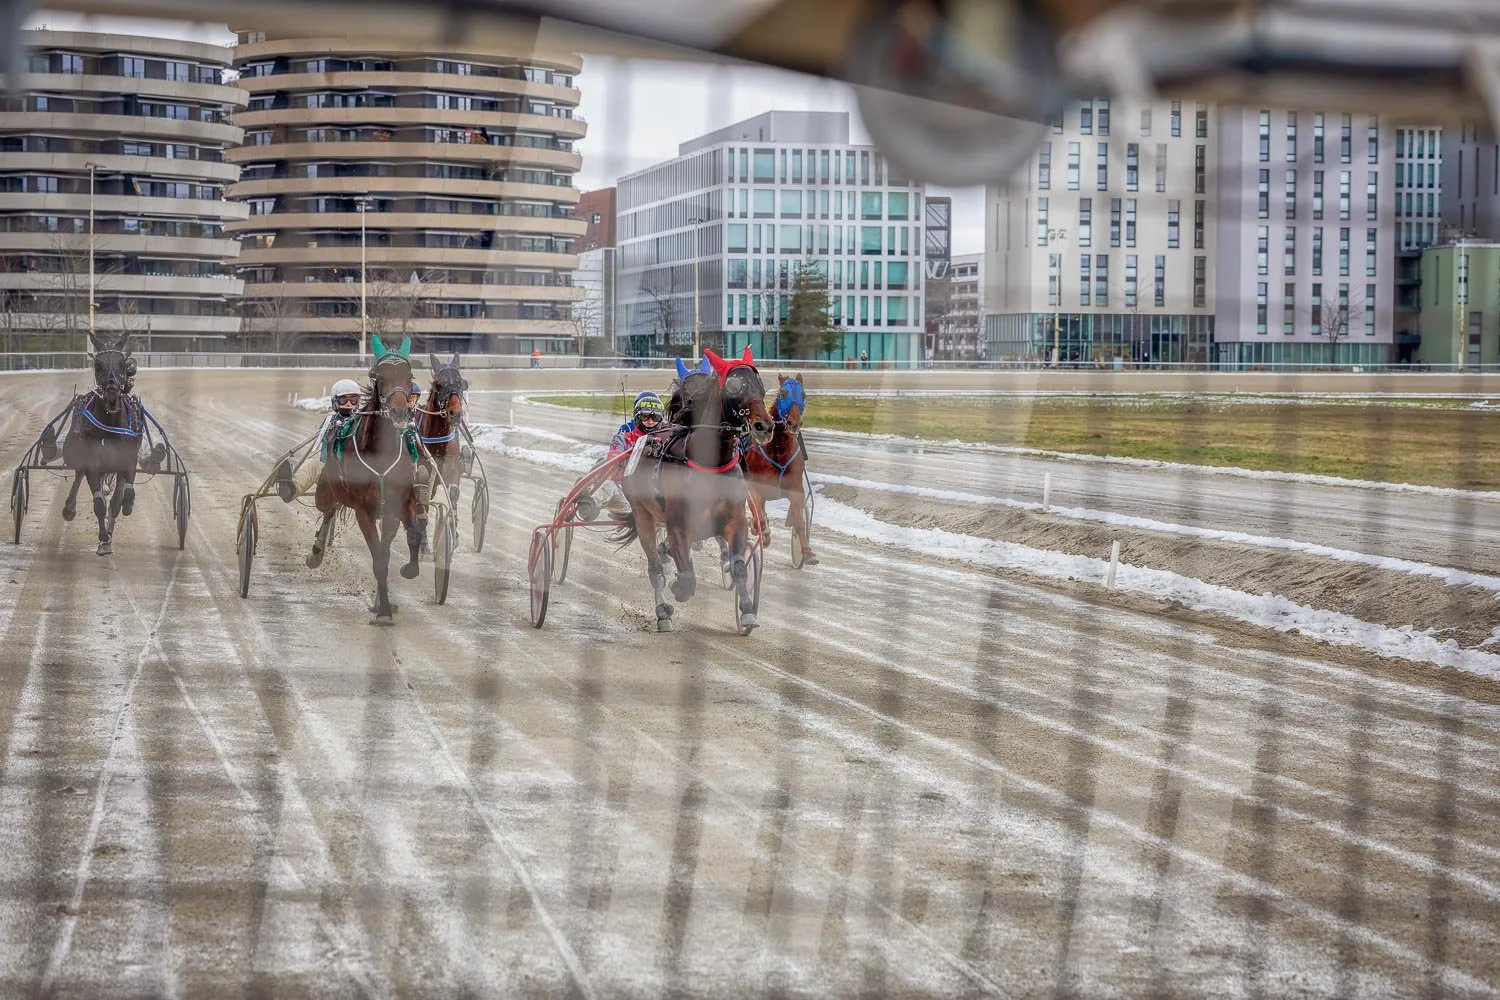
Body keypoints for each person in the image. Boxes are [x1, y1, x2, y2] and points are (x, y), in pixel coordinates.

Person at [577, 390, 665, 520]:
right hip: (627, 497)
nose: (650, 422)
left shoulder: (666, 439)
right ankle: (589, 505)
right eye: (645, 416)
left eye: (655, 417)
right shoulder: (624, 438)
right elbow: (613, 457)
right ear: (637, 416)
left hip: (656, 498)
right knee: (608, 487)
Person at [276, 378, 362, 502]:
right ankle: (290, 489)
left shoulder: (363, 421)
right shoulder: (329, 421)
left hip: (358, 473)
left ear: (358, 401)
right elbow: (323, 455)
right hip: (332, 471)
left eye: (353, 399)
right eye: (344, 399)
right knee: (312, 465)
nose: (349, 403)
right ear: (335, 402)